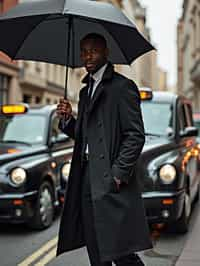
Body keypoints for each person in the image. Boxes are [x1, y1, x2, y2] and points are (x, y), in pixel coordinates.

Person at [56, 33, 152, 266]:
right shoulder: (84, 91)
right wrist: (69, 121)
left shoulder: (123, 87)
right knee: (96, 248)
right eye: (83, 51)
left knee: (121, 252)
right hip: (87, 177)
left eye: (93, 50)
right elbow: (86, 135)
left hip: (110, 179)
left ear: (106, 53)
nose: (87, 56)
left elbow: (135, 135)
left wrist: (118, 174)